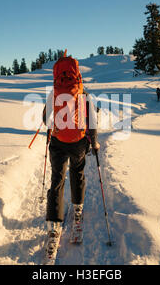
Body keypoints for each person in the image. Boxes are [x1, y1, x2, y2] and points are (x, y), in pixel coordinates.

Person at [42, 51, 99, 260]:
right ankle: (77, 215)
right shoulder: (82, 91)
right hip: (78, 142)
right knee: (78, 174)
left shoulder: (55, 91)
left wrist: (52, 125)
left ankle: (54, 228)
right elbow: (92, 119)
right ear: (77, 73)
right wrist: (94, 142)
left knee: (57, 181)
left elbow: (44, 118)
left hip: (58, 141)